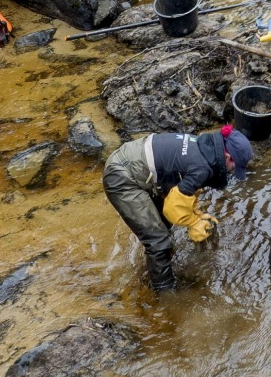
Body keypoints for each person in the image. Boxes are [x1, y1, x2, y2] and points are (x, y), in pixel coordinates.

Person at [102, 124, 251, 292]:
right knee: (158, 241)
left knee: (163, 225)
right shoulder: (202, 167)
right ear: (228, 157)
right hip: (122, 177)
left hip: (132, 160)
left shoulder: (205, 148)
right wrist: (194, 222)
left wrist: (196, 214)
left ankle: (153, 268)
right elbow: (172, 207)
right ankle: (165, 294)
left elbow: (185, 191)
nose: (231, 172)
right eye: (234, 168)